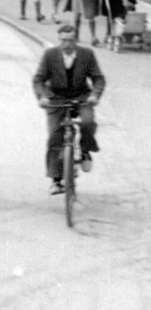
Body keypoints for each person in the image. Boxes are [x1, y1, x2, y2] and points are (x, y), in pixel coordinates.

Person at [32, 24, 106, 195]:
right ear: (59, 40)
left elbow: (99, 78)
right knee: (55, 137)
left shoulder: (87, 54)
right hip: (56, 98)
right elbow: (38, 79)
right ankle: (56, 180)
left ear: (76, 40)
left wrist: (94, 95)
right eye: (63, 40)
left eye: (70, 40)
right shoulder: (50, 55)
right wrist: (42, 97)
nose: (67, 44)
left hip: (81, 97)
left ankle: (86, 150)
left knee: (88, 122)